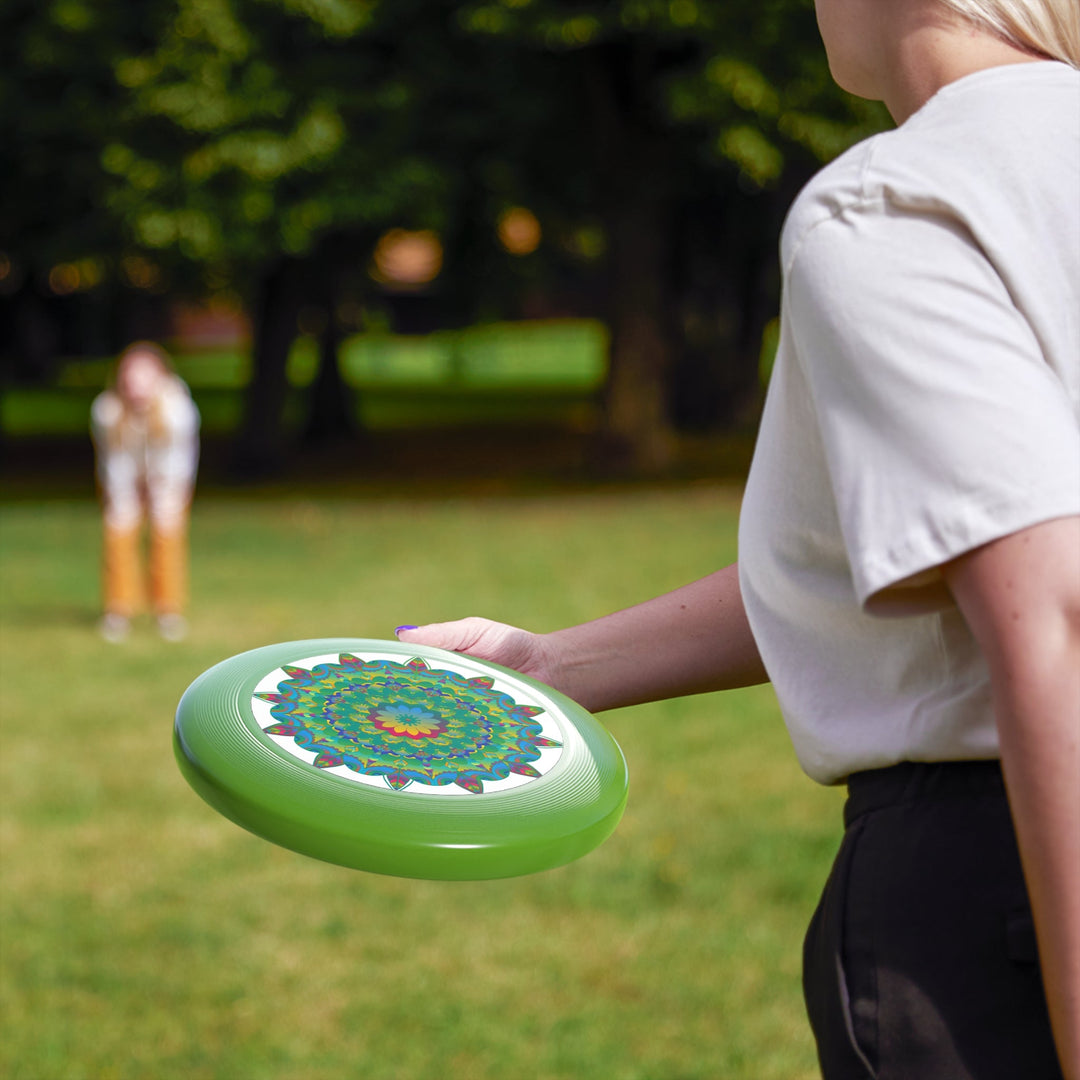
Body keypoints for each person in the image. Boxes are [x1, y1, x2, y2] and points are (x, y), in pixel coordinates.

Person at [395, 2, 1080, 1077]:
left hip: (1004, 889)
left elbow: (1055, 615)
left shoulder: (900, 202)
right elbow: (915, 552)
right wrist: (550, 666)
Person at [91, 341, 200, 642]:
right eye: (130, 377)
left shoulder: (178, 410)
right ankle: (118, 610)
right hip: (123, 478)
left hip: (168, 479)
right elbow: (114, 460)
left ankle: (168, 610)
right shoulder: (107, 410)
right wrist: (126, 495)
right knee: (118, 531)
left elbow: (177, 460)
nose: (136, 385)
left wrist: (160, 492)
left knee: (167, 535)